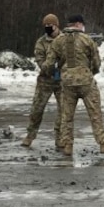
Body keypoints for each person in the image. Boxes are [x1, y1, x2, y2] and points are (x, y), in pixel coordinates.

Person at [52, 14, 104, 156]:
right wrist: (90, 72)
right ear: (79, 24)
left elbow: (51, 62)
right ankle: (103, 144)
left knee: (66, 116)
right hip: (86, 81)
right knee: (95, 114)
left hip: (67, 82)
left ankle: (68, 145)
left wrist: (61, 73)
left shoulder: (58, 41)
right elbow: (96, 62)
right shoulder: (87, 40)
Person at [22, 13, 62, 147]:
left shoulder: (65, 39)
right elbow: (40, 60)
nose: (47, 28)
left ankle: (60, 137)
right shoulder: (41, 42)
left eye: (50, 25)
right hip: (46, 79)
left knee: (64, 111)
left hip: (62, 81)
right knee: (37, 109)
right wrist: (49, 66)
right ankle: (30, 135)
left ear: (56, 25)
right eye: (45, 26)